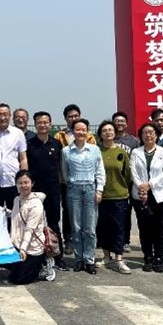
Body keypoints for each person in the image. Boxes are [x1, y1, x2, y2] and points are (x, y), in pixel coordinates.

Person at [61, 118, 104, 274]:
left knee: (90, 228)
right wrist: (72, 183)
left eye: (83, 129)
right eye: (77, 129)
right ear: (73, 131)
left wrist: (99, 190)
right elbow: (65, 172)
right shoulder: (66, 151)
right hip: (73, 189)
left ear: (87, 131)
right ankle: (79, 259)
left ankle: (89, 259)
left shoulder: (95, 150)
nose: (80, 132)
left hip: (90, 189)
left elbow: (100, 171)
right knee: (76, 227)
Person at [25, 111, 66, 270]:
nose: (42, 125)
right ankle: (37, 257)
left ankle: (58, 256)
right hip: (35, 191)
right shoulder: (29, 144)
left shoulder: (56, 144)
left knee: (54, 223)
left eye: (45, 122)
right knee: (35, 223)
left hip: (53, 189)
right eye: (39, 123)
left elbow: (61, 167)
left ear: (50, 124)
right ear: (35, 125)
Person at [130, 123, 163, 273]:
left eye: (151, 132)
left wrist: (150, 184)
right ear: (141, 136)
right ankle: (147, 256)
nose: (148, 135)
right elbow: (133, 172)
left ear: (156, 135)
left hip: (159, 195)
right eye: (145, 132)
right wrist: (141, 187)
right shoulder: (136, 152)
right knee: (144, 227)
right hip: (140, 195)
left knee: (158, 227)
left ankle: (159, 258)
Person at [54, 104, 96, 254]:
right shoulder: (59, 136)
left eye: (76, 116)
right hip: (66, 181)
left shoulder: (89, 136)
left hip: (86, 180)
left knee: (87, 211)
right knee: (67, 211)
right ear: (65, 119)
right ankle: (68, 240)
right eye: (70, 116)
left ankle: (86, 239)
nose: (73, 118)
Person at [95, 121, 132, 274]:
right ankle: (106, 257)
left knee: (118, 228)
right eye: (104, 130)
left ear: (115, 133)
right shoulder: (96, 151)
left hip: (119, 196)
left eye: (110, 130)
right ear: (100, 134)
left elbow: (127, 175)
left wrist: (123, 188)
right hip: (101, 196)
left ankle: (119, 259)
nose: (108, 132)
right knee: (103, 228)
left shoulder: (122, 152)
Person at [9, 170, 53, 284]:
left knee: (20, 280)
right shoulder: (16, 200)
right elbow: (17, 215)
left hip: (33, 248)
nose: (23, 186)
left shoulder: (36, 204)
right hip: (19, 245)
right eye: (20, 183)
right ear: (16, 184)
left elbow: (29, 229)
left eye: (26, 182)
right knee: (12, 278)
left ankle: (43, 267)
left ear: (32, 184)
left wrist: (23, 249)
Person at [0, 103, 29, 213]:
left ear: (10, 116)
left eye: (5, 114)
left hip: (13, 181)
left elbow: (23, 158)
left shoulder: (18, 133)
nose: (2, 117)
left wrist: (24, 178)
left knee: (16, 215)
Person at [112, 110, 138, 253]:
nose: (120, 123)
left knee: (126, 213)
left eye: (122, 121)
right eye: (117, 121)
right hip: (112, 182)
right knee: (113, 213)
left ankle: (125, 241)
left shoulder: (133, 141)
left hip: (129, 183)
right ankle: (112, 240)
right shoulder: (109, 138)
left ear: (126, 124)